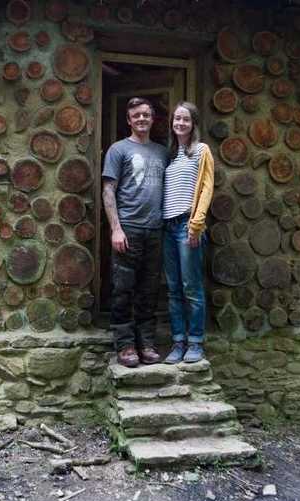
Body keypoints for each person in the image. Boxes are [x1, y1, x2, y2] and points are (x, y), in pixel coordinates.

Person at [102, 97, 169, 368]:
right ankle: (126, 344)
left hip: (155, 230)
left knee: (149, 290)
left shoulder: (162, 151)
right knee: (122, 289)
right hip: (128, 228)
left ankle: (147, 342)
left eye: (146, 115)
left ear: (152, 119)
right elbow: (108, 189)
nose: (141, 119)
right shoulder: (118, 150)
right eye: (136, 116)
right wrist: (115, 229)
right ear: (128, 121)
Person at [161, 101, 214, 364]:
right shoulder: (169, 153)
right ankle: (178, 342)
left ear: (193, 123)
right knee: (172, 289)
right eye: (176, 119)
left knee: (190, 287)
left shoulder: (201, 151)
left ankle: (195, 343)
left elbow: (206, 189)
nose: (180, 123)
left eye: (185, 119)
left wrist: (196, 225)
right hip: (167, 228)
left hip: (187, 226)